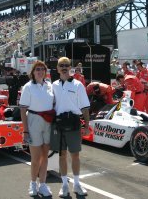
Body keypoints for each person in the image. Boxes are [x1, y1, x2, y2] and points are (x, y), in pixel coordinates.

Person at [52, 57, 90, 197]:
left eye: (66, 65)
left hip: (74, 122)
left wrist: (87, 125)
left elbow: (85, 107)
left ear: (70, 68)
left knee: (75, 155)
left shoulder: (78, 85)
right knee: (62, 155)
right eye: (61, 65)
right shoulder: (53, 85)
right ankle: (64, 185)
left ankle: (77, 184)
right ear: (57, 68)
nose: (64, 67)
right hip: (59, 124)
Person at [19, 61, 54, 197]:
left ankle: (43, 184)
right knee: (35, 157)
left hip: (48, 122)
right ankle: (33, 183)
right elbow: (23, 109)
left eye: (42, 69)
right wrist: (25, 130)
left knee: (45, 157)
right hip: (34, 121)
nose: (40, 71)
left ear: (45, 72)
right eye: (37, 69)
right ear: (33, 72)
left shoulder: (49, 86)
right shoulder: (28, 87)